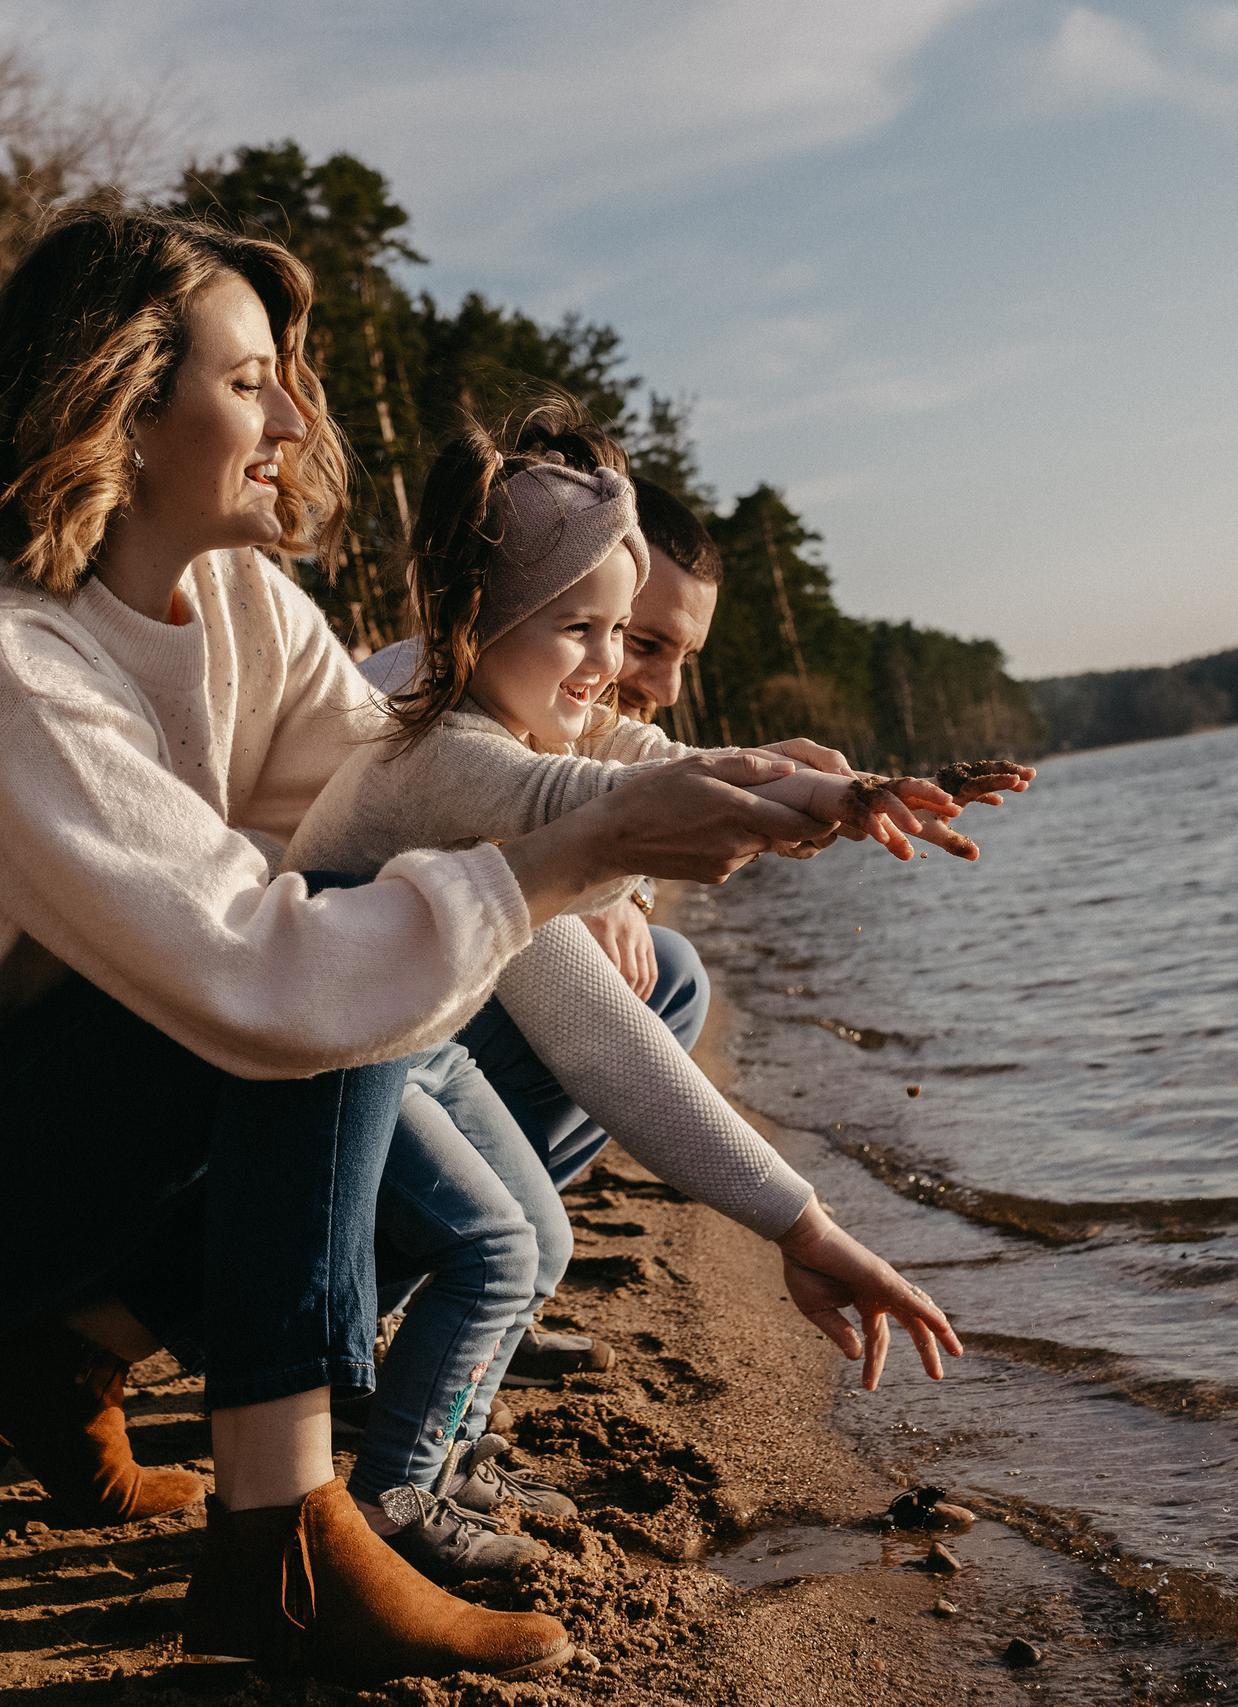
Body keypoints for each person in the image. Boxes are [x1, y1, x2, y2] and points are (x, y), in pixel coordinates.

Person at [0, 205, 832, 1683]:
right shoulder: (2, 670)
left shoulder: (241, 600)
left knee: (361, 937)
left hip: (71, 1122)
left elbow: (430, 783)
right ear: (119, 405)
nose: (300, 413)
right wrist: (586, 845)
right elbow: (284, 973)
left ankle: (74, 1362)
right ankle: (287, 1537)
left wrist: (681, 792)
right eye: (252, 377)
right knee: (319, 959)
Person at [290, 414, 973, 1572]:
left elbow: (649, 770)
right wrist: (798, 1223)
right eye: (582, 629)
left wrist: (844, 792)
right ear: (474, 616)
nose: (610, 667)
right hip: (323, 1071)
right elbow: (613, 826)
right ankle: (397, 1498)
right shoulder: (447, 759)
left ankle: (438, 1451)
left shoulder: (502, 731)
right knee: (498, 1251)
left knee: (537, 1241)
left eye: (620, 630)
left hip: (405, 1047)